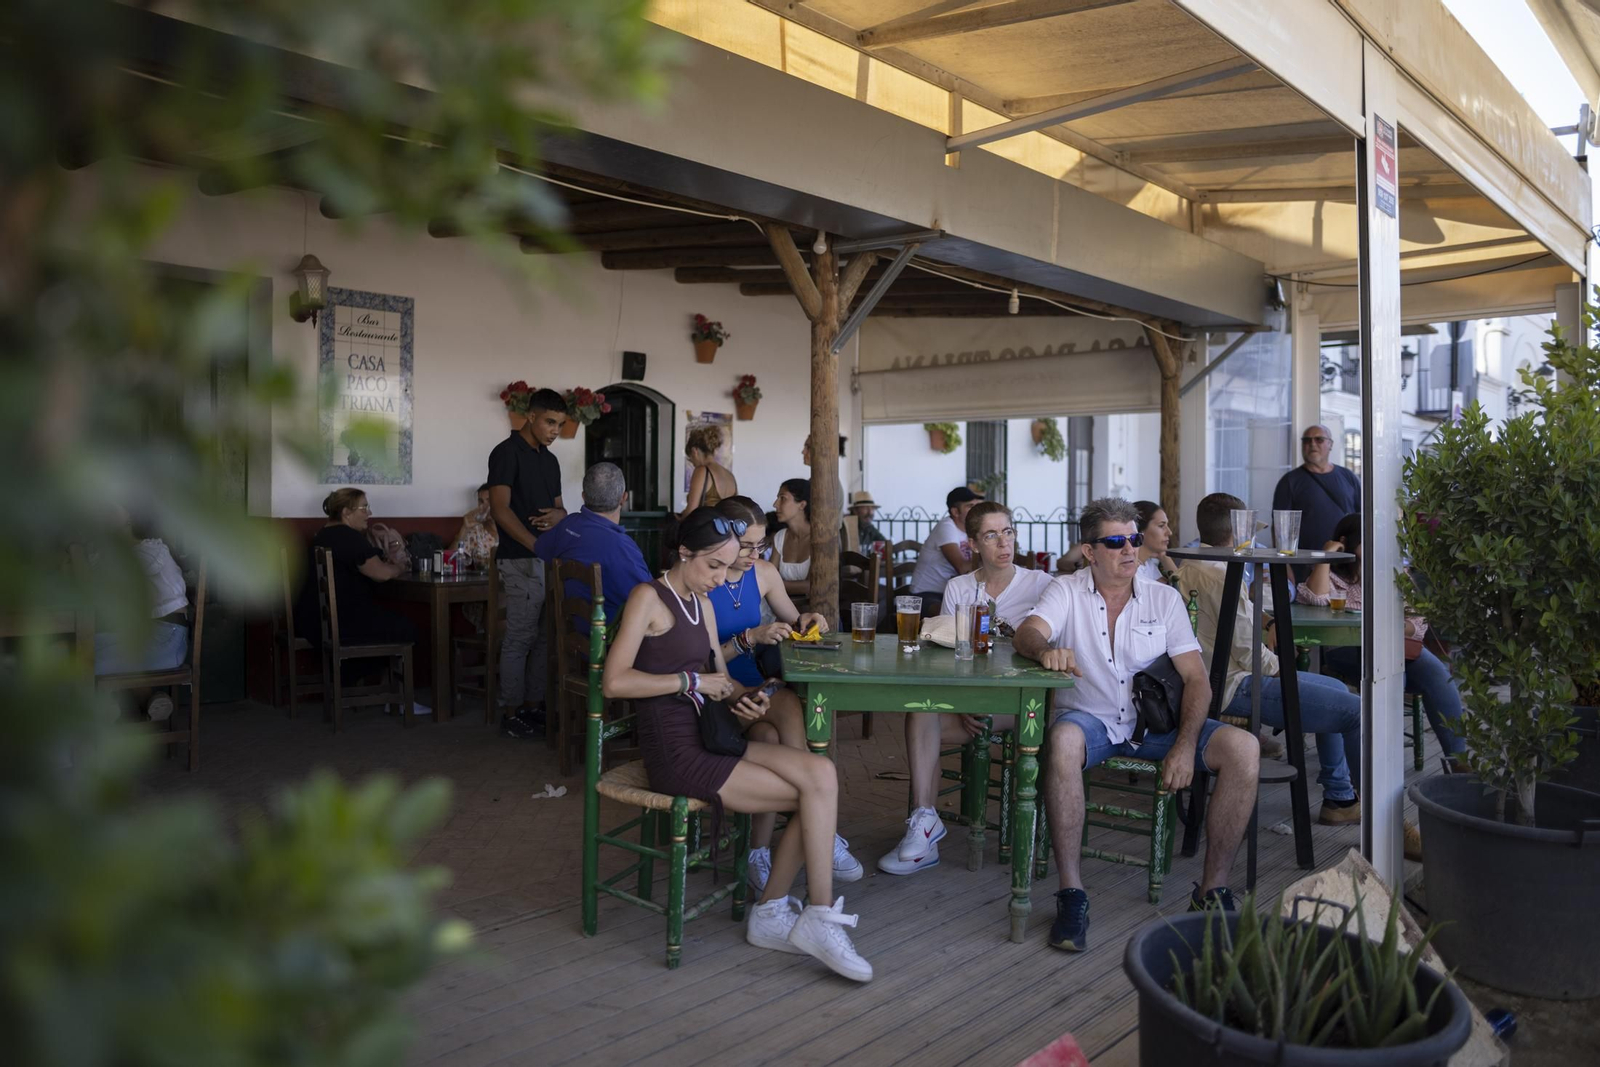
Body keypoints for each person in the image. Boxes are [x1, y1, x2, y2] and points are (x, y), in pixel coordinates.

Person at [601, 507, 873, 981]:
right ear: (684, 553)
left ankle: (792, 915)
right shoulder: (649, 597)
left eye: (727, 567)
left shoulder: (701, 605)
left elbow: (721, 683)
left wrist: (747, 699)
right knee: (811, 798)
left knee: (821, 774)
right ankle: (796, 916)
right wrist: (690, 682)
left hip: (713, 735)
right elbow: (615, 683)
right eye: (713, 566)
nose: (720, 578)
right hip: (677, 754)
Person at [1014, 498, 1260, 952]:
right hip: (1093, 722)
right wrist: (1043, 649)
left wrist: (1185, 745)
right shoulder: (1066, 590)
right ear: (1089, 551)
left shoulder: (1164, 598)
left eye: (1132, 538)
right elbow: (1028, 630)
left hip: (1158, 725)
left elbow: (1197, 681)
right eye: (1115, 542)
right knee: (1062, 740)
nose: (1129, 549)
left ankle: (1212, 890)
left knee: (1244, 749)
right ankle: (1072, 893)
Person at [879, 501, 1056, 876]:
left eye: (1007, 532)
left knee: (926, 719)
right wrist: (961, 706)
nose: (1003, 542)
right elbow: (947, 654)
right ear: (973, 544)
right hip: (968, 702)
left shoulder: (1040, 585)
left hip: (1018, 702)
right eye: (991, 535)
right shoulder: (959, 587)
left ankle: (925, 827)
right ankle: (925, 822)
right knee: (921, 710)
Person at [1176, 493, 1364, 828]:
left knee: (1336, 689)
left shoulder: (1193, 566)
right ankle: (1373, 810)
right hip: (1234, 685)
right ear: (1238, 534)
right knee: (1354, 711)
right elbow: (1248, 652)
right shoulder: (1220, 577)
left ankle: (1340, 797)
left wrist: (1269, 623)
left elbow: (1238, 628)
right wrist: (1285, 669)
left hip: (1213, 677)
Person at [710, 496, 863, 890]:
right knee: (789, 710)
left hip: (753, 693)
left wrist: (808, 620)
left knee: (771, 736)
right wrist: (749, 638)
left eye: (760, 545)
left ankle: (759, 853)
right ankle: (820, 826)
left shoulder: (763, 574)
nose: (754, 554)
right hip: (715, 692)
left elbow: (796, 625)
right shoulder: (703, 577)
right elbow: (700, 659)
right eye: (745, 546)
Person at [1298, 513, 1467, 771]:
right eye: (1367, 539)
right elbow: (1315, 597)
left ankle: (1459, 763)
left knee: (1438, 677)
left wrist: (1400, 626)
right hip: (1348, 648)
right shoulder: (1331, 574)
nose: (1376, 545)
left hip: (1393, 646)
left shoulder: (1391, 570)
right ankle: (1374, 769)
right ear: (1346, 541)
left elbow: (1417, 620)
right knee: (1398, 676)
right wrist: (1327, 554)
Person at [487, 386, 567, 739]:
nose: (555, 431)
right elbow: (500, 509)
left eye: (560, 425)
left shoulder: (550, 460)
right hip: (519, 559)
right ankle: (510, 712)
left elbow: (561, 507)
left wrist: (561, 515)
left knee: (545, 638)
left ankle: (533, 707)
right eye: (550, 422)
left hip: (549, 561)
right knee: (519, 637)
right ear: (531, 416)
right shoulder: (506, 453)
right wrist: (536, 544)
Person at [295, 489, 417, 676]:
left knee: (391, 622)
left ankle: (373, 691)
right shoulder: (348, 537)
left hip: (316, 621)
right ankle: (396, 699)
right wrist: (400, 566)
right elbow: (381, 574)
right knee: (407, 628)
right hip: (343, 625)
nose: (369, 513)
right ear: (346, 512)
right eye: (364, 508)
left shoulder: (323, 535)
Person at [93, 508, 191, 722]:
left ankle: (105, 709)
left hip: (167, 639)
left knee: (87, 662)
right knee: (85, 647)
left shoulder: (150, 551)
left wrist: (75, 549)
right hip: (146, 637)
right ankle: (139, 700)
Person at [534, 462, 654, 630]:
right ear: (623, 498)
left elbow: (540, 548)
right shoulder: (622, 547)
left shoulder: (568, 525)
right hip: (609, 637)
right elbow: (650, 598)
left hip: (574, 633)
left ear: (583, 496)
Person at [1273, 425, 1361, 567]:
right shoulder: (1289, 482)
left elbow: (1361, 520)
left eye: (1319, 439)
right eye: (1307, 440)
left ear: (1330, 444)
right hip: (1304, 565)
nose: (1312, 444)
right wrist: (1284, 566)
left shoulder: (1348, 477)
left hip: (1344, 563)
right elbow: (1279, 528)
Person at [909, 487, 984, 615]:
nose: (976, 511)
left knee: (980, 612)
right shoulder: (946, 526)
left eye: (977, 506)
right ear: (955, 511)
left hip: (952, 593)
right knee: (953, 616)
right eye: (970, 506)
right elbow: (962, 568)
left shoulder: (971, 531)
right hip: (925, 595)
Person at [771, 478, 814, 599]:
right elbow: (769, 576)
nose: (775, 504)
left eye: (782, 498)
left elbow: (813, 585)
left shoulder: (819, 540)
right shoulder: (780, 537)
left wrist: (774, 585)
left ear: (802, 504)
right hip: (779, 605)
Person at [681, 425, 736, 515]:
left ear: (695, 451)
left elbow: (691, 511)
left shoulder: (702, 471)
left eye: (691, 459)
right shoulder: (730, 476)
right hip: (727, 528)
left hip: (707, 528)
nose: (693, 464)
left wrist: (678, 519)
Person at [1132, 500, 1179, 586]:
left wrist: (1164, 556)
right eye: (1161, 526)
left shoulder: (1147, 563)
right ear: (1140, 530)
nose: (1169, 532)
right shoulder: (1132, 571)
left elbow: (1180, 590)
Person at [452, 483, 499, 566]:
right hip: (485, 578)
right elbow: (450, 562)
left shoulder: (513, 528)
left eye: (489, 501)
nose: (484, 506)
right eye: (481, 501)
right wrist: (464, 529)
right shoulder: (476, 531)